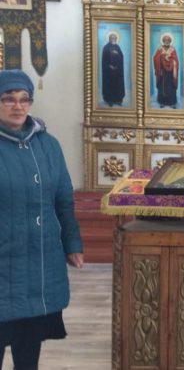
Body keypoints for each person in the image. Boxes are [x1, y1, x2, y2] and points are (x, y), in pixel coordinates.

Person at [0, 69, 84, 369]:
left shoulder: (48, 145)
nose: (17, 106)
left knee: (27, 352)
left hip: (38, 261)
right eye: (8, 99)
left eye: (24, 99)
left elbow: (63, 199)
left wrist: (72, 243)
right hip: (4, 259)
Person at [152, 33, 180, 108]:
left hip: (171, 73)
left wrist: (171, 60)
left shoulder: (172, 49)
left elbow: (176, 60)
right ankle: (162, 102)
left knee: (171, 87)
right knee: (162, 87)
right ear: (163, 41)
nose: (166, 41)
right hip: (162, 72)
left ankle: (172, 103)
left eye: (168, 40)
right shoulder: (160, 49)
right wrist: (161, 57)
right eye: (165, 40)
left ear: (170, 41)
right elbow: (155, 59)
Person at [101, 33, 125, 107]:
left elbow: (121, 56)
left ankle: (118, 100)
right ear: (109, 39)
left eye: (114, 38)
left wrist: (117, 54)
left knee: (117, 85)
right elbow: (104, 59)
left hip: (117, 70)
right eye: (112, 38)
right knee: (110, 85)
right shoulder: (106, 47)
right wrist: (109, 66)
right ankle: (110, 100)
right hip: (109, 71)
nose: (113, 39)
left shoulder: (117, 47)